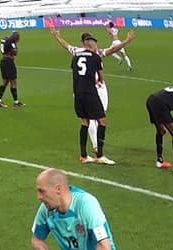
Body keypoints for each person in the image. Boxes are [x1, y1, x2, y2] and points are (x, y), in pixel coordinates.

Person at [51, 30, 134, 165]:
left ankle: (84, 155)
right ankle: (99, 153)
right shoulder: (96, 55)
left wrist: (57, 36)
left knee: (85, 122)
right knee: (101, 119)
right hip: (92, 91)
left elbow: (66, 46)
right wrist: (127, 40)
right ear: (90, 44)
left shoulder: (76, 54)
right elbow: (112, 52)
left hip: (78, 92)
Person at [0, 31, 25, 108]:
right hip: (9, 62)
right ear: (16, 38)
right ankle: (16, 102)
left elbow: (2, 48)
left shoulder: (5, 39)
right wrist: (15, 47)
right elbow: (15, 52)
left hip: (3, 61)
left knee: (5, 81)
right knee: (13, 81)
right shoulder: (12, 42)